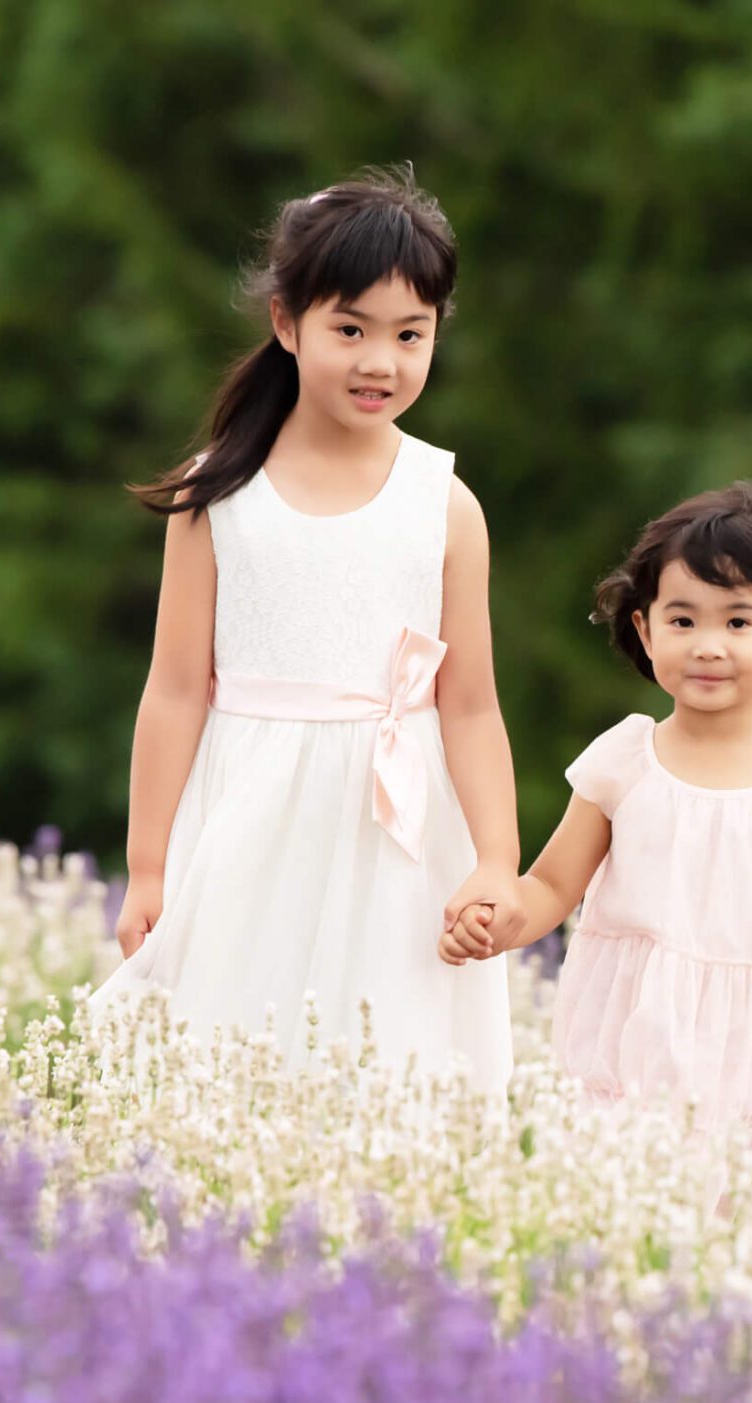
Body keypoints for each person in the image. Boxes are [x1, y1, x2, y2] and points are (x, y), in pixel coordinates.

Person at [92, 167, 521, 1093]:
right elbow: (174, 689)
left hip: (396, 840)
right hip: (247, 818)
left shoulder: (445, 506)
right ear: (287, 324)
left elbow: (471, 706)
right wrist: (149, 867)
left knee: (387, 1072)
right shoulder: (219, 495)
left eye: (411, 335)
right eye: (351, 330)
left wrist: (495, 860)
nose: (382, 362)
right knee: (231, 1058)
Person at [441, 482, 752, 1170]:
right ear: (643, 628)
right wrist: (501, 921)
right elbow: (549, 885)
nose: (709, 646)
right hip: (640, 1048)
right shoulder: (625, 761)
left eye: (738, 622)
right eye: (683, 621)